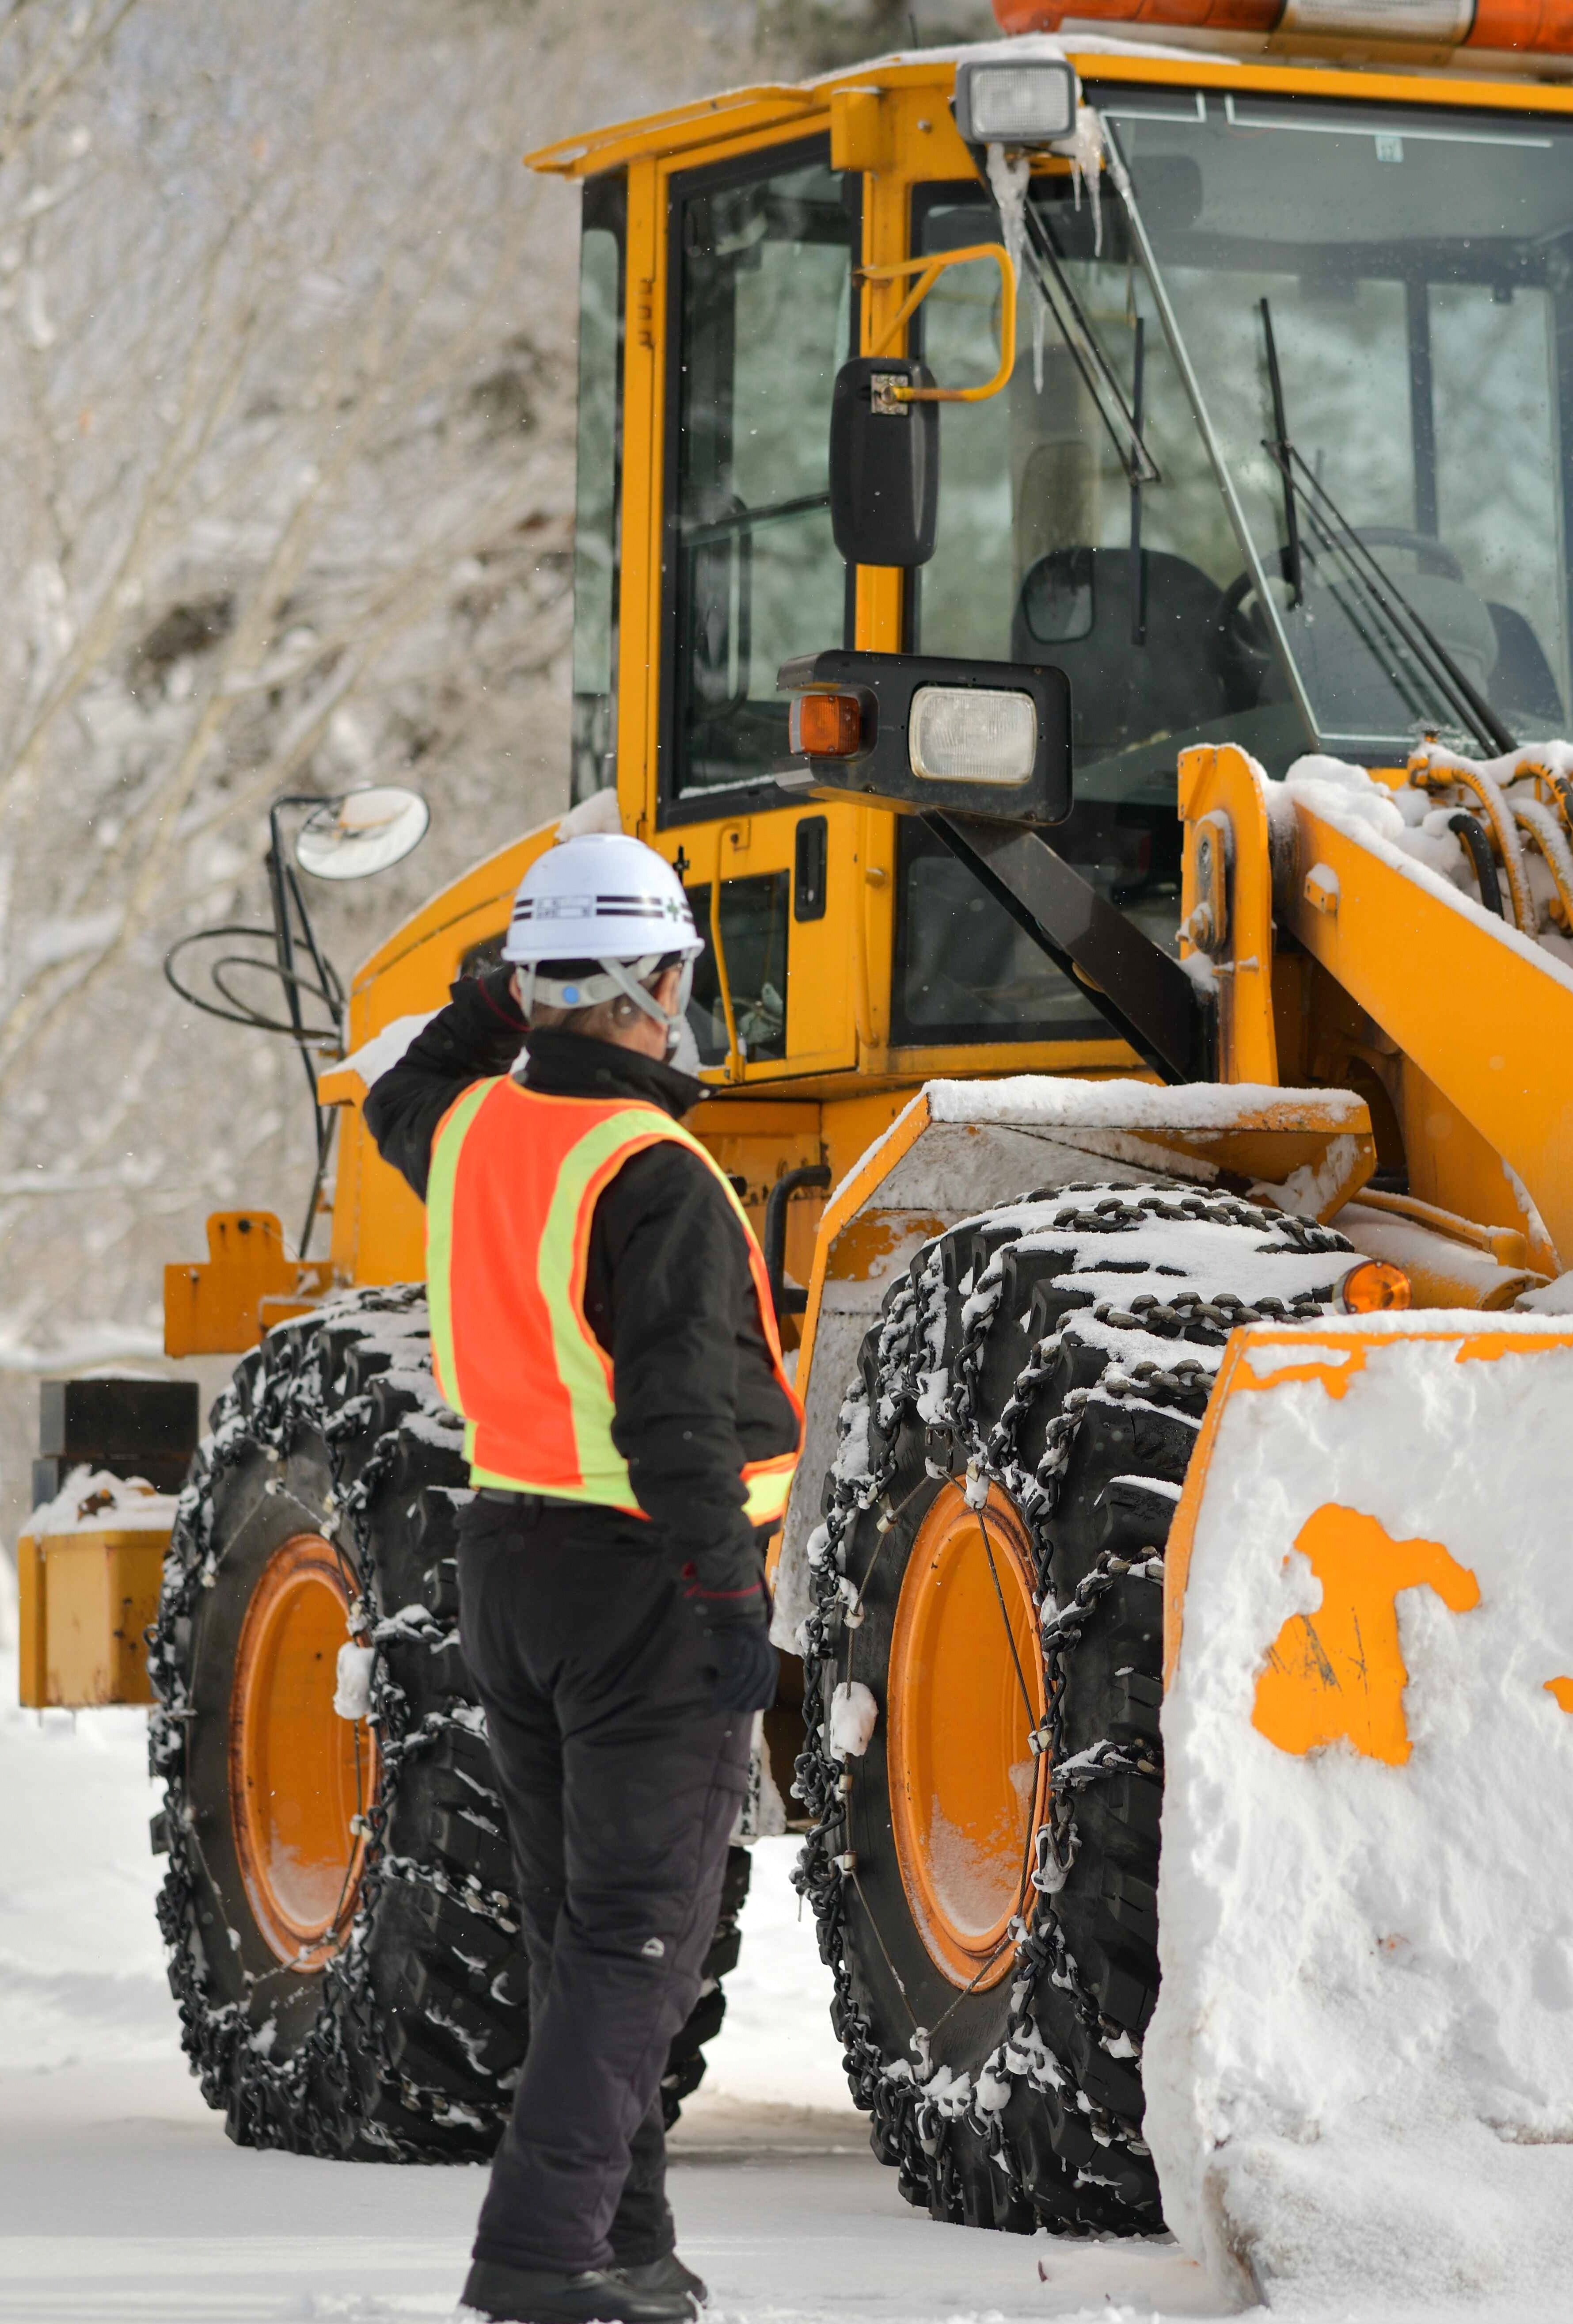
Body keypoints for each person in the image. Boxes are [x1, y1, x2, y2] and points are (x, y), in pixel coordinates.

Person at [366, 833, 801, 2324]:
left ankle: (629, 2239)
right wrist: (734, 1598)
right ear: (663, 981)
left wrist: (492, 1006)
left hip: (510, 1564)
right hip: (644, 1586)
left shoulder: (478, 1129)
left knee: (579, 1928)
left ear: (532, 984)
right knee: (633, 1938)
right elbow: (675, 1414)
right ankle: (541, 2254)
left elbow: (393, 1096)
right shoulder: (653, 1171)